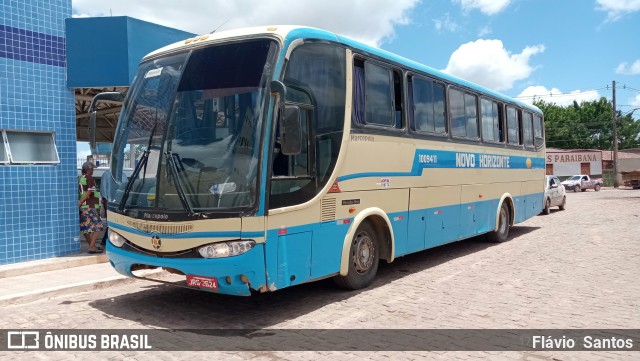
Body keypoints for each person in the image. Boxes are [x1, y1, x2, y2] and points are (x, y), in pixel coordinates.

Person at [78, 161, 103, 254]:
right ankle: (92, 246)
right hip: (90, 206)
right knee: (99, 226)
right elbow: (89, 192)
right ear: (89, 169)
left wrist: (80, 202)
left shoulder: (80, 178)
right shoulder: (90, 178)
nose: (93, 171)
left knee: (85, 228)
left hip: (83, 207)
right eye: (92, 169)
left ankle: (92, 246)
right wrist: (81, 201)